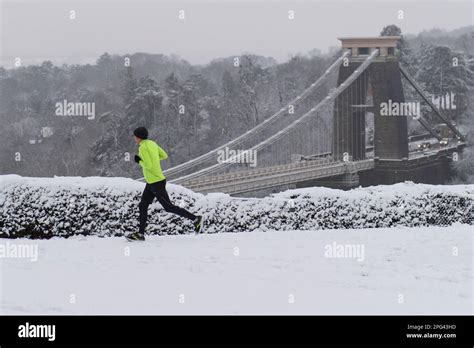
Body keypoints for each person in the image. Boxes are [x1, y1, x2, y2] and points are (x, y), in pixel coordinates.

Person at [127, 127, 203, 241]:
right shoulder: (152, 143)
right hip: (151, 182)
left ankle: (196, 219)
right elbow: (164, 155)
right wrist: (153, 158)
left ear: (138, 137)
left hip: (156, 182)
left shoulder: (143, 148)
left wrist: (139, 161)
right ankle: (140, 234)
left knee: (168, 207)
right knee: (142, 206)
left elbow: (148, 166)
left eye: (135, 136)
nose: (134, 138)